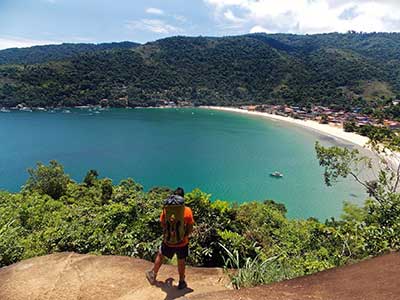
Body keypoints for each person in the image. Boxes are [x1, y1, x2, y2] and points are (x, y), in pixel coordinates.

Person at [146, 187, 195, 290]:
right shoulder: (187, 210)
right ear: (183, 198)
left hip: (168, 241)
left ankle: (153, 274)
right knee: (181, 260)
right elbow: (190, 228)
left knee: (161, 254)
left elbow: (163, 224)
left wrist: (169, 234)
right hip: (182, 242)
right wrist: (183, 236)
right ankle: (181, 282)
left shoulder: (166, 210)